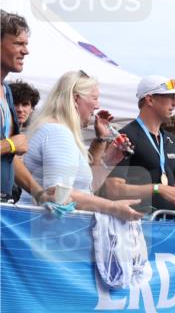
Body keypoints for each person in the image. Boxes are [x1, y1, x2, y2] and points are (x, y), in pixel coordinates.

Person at [15, 70, 140, 219]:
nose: (97, 105)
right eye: (94, 98)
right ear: (76, 98)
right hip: (44, 229)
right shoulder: (57, 132)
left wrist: (108, 162)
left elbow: (84, 189)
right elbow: (58, 193)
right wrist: (112, 207)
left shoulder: (60, 131)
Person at [103, 76, 175, 215]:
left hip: (168, 224)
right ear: (150, 99)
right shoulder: (126, 136)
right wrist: (157, 188)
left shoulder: (171, 140)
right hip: (139, 226)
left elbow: (169, 186)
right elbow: (113, 189)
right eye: (170, 97)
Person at [1, 10, 30, 199]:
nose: (26, 51)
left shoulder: (7, 91)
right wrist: (9, 145)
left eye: (26, 44)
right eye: (18, 43)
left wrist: (40, 192)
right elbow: (12, 146)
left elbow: (11, 158)